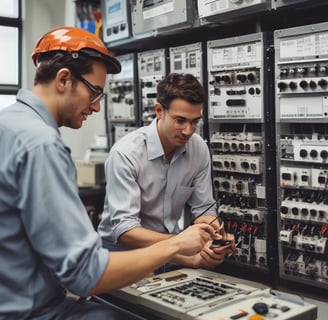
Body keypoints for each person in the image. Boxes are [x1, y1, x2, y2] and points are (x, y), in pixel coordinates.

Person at [0, 27, 218, 320]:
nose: (97, 105)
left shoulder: (9, 125)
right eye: (95, 92)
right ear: (64, 79)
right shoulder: (42, 145)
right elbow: (84, 274)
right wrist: (178, 244)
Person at [98, 73, 235, 273]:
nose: (188, 131)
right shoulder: (126, 153)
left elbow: (204, 208)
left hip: (171, 251)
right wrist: (181, 242)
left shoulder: (198, 149)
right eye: (180, 121)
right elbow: (124, 230)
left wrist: (215, 235)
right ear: (159, 110)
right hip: (123, 255)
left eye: (195, 122)